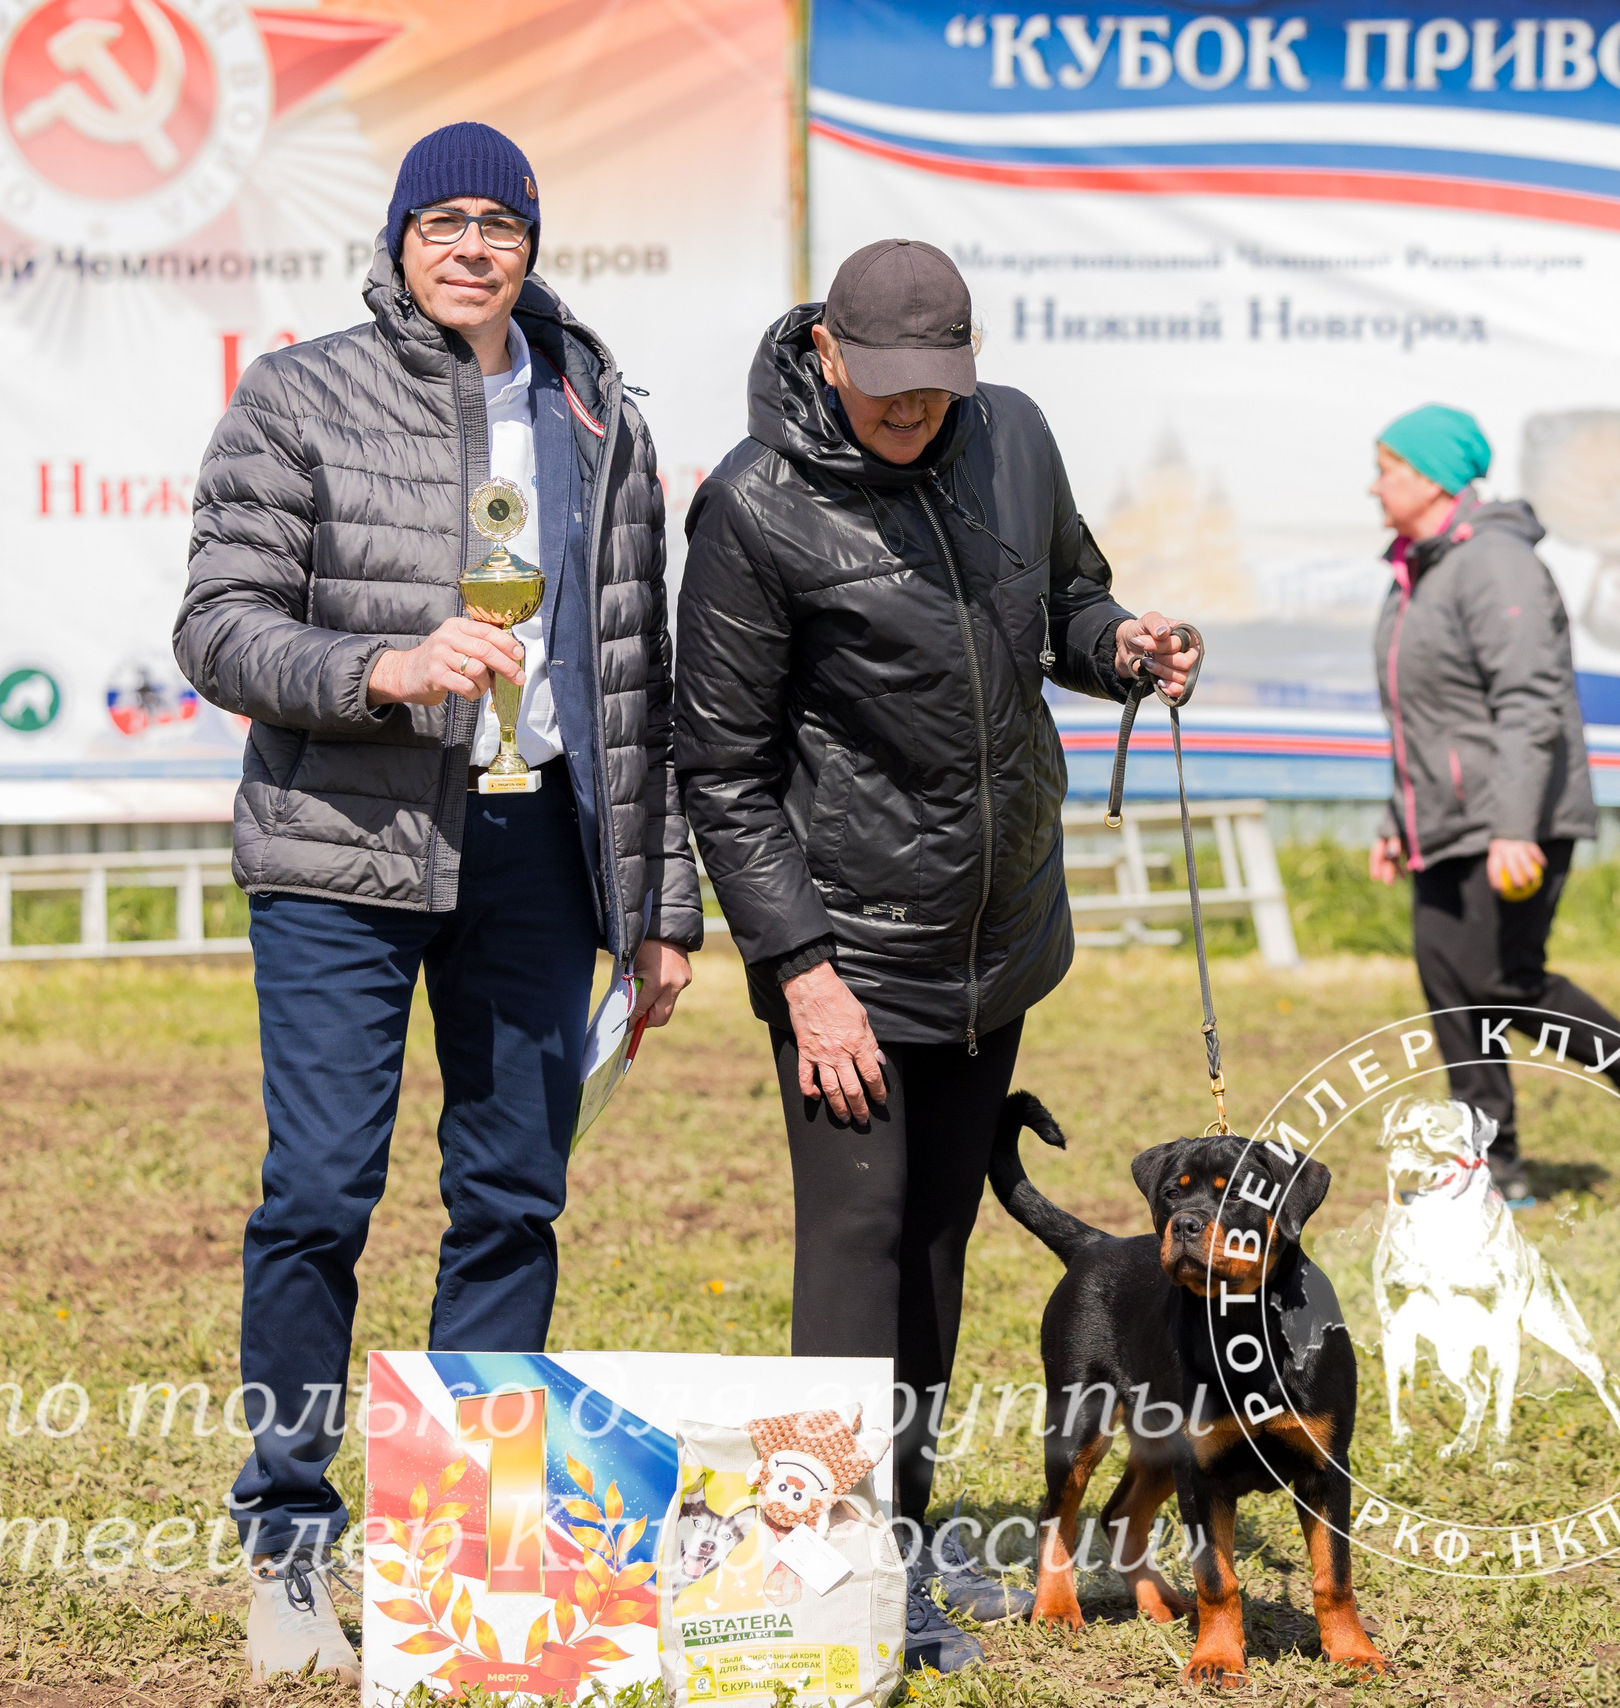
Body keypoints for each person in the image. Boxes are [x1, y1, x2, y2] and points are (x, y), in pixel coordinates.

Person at [173, 122, 701, 1680]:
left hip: (541, 858)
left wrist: (657, 902)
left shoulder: (600, 412)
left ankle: (468, 1543)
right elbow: (218, 629)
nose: (474, 246)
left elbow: (637, 676)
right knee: (322, 1195)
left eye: (502, 223)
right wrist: (384, 667)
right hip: (342, 847)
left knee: (513, 1199)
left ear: (531, 241)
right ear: (400, 238)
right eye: (444, 221)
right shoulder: (299, 393)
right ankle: (288, 1544)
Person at [675, 238, 1203, 1673]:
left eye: (936, 393)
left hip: (998, 936)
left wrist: (1127, 647)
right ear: (828, 351)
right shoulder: (752, 505)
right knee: (853, 1250)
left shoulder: (1013, 435)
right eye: (886, 392)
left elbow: (1069, 606)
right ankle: (829, 1573)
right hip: (848, 954)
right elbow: (719, 765)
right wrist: (800, 970)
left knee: (938, 1244)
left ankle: (896, 1544)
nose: (913, 418)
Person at [1364, 403, 1620, 1206]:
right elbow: (1422, 715)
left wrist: (1513, 826)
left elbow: (1530, 701)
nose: (1373, 485)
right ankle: (1492, 1164)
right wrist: (1395, 819)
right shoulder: (1421, 568)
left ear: (1434, 478)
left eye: (1387, 469)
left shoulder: (1496, 564)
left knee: (1502, 983)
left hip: (1512, 819)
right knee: (1452, 988)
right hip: (1445, 822)